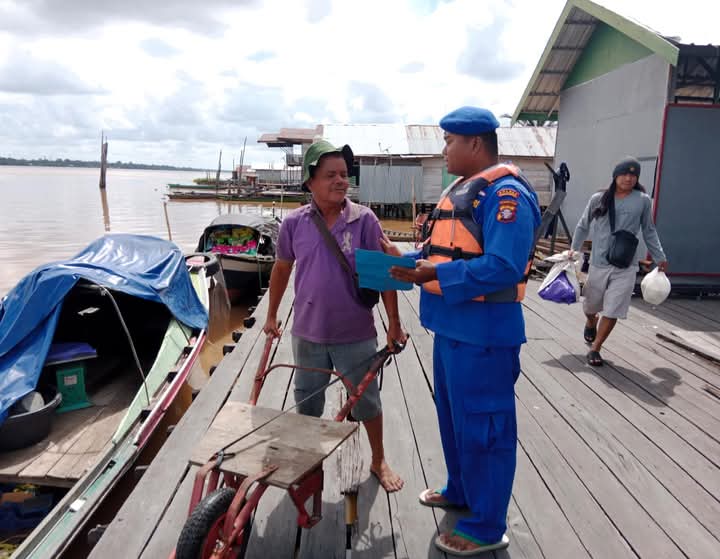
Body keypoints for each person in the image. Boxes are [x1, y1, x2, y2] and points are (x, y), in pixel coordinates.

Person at [383, 106, 541, 555]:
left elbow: (504, 266)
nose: (444, 150)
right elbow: (446, 252)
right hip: (449, 329)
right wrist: (405, 258)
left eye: (449, 141)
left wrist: (435, 274)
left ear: (475, 143)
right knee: (454, 420)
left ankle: (488, 525)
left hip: (485, 335)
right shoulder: (461, 191)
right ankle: (461, 489)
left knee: (485, 427)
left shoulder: (506, 196)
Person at [262, 139, 406, 493]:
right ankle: (309, 462)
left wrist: (394, 323)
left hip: (355, 332)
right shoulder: (294, 223)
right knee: (307, 402)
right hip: (307, 332)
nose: (341, 181)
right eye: (331, 175)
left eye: (344, 174)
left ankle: (378, 459)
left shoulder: (365, 220)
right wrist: (271, 315)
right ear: (310, 181)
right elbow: (282, 269)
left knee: (367, 401)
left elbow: (384, 272)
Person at [570, 157, 667, 367]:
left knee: (613, 308)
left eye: (633, 175)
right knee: (590, 305)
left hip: (626, 264)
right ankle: (591, 321)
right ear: (615, 176)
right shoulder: (598, 198)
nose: (628, 178)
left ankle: (596, 348)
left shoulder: (642, 200)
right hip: (599, 262)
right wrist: (573, 249)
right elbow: (583, 225)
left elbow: (649, 230)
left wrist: (659, 257)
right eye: (624, 174)